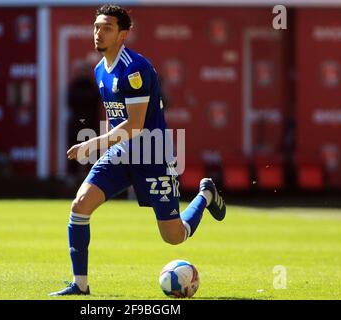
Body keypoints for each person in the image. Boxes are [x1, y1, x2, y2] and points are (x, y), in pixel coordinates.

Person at [49, 4, 226, 296]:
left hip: (153, 155)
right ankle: (80, 285)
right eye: (96, 27)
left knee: (174, 237)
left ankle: (206, 195)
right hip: (122, 154)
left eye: (107, 28)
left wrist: (91, 144)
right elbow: (120, 123)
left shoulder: (135, 69)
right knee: (80, 206)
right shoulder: (99, 70)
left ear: (123, 34)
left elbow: (135, 125)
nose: (98, 33)